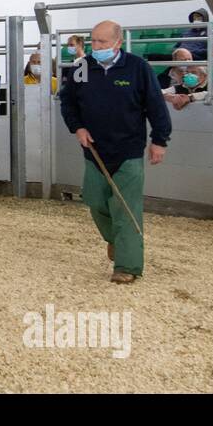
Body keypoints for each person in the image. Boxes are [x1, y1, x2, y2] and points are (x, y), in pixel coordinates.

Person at [58, 20, 171, 284]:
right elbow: (68, 102)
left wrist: (159, 140)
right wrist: (77, 127)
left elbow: (155, 106)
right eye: (93, 41)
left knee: (125, 207)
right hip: (94, 150)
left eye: (102, 42)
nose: (96, 47)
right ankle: (115, 240)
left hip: (128, 150)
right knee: (95, 202)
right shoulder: (82, 68)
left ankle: (127, 266)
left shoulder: (137, 68)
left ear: (118, 43)